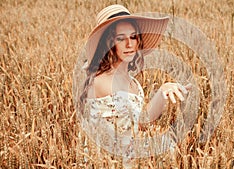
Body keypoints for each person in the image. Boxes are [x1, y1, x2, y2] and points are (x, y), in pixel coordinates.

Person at [79, 4, 191, 168]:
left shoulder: (133, 82)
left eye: (133, 37)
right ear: (108, 44)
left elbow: (141, 123)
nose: (129, 44)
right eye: (120, 38)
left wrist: (162, 92)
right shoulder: (100, 81)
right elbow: (112, 139)